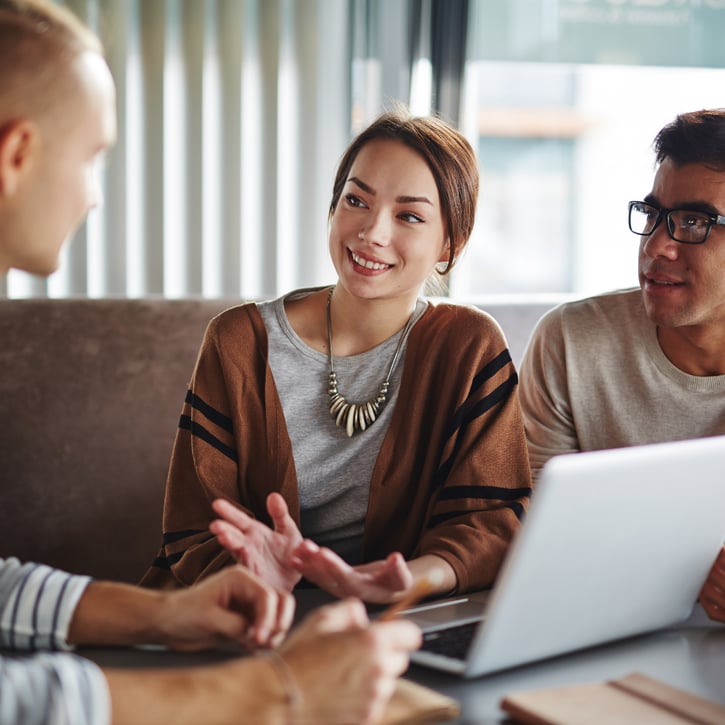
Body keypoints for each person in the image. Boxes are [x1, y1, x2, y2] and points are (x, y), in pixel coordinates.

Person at [0, 1, 420, 722]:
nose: (96, 197)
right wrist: (273, 690)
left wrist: (162, 616)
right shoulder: (240, 339)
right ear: (17, 154)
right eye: (93, 157)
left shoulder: (460, 346)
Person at [142, 108, 533, 604]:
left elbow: (492, 523)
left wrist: (405, 581)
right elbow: (195, 526)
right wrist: (266, 583)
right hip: (241, 617)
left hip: (397, 621)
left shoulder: (469, 346)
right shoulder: (238, 341)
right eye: (356, 200)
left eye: (409, 215)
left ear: (449, 245)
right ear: (333, 208)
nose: (372, 232)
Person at [518, 108, 725, 623]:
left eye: (695, 222)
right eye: (652, 215)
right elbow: (534, 532)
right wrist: (685, 569)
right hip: (600, 627)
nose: (657, 246)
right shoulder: (571, 341)